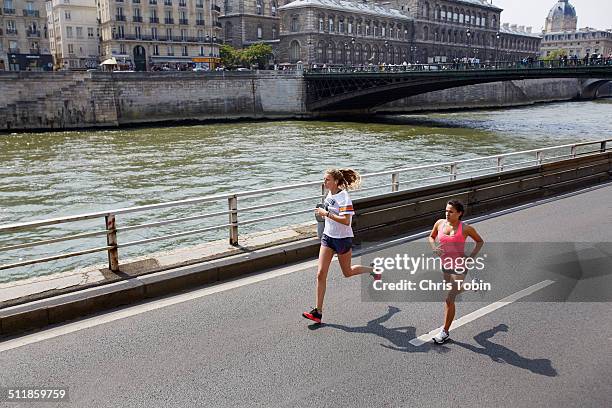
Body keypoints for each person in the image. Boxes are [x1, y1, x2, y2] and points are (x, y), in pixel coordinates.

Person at [302, 169, 378, 324]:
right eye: (324, 179)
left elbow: (346, 221)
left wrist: (326, 214)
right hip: (328, 238)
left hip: (342, 239)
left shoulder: (344, 197)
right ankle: (318, 312)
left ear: (336, 181)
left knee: (347, 272)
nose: (325, 182)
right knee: (320, 274)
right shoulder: (330, 194)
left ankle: (374, 270)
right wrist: (323, 214)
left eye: (328, 179)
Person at [428, 200, 484, 344]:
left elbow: (480, 241)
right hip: (445, 265)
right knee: (451, 291)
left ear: (459, 213)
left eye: (451, 211)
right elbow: (431, 236)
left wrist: (470, 258)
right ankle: (473, 285)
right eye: (446, 210)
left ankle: (444, 332)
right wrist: (434, 247)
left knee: (449, 298)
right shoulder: (440, 223)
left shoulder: (466, 228)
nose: (447, 214)